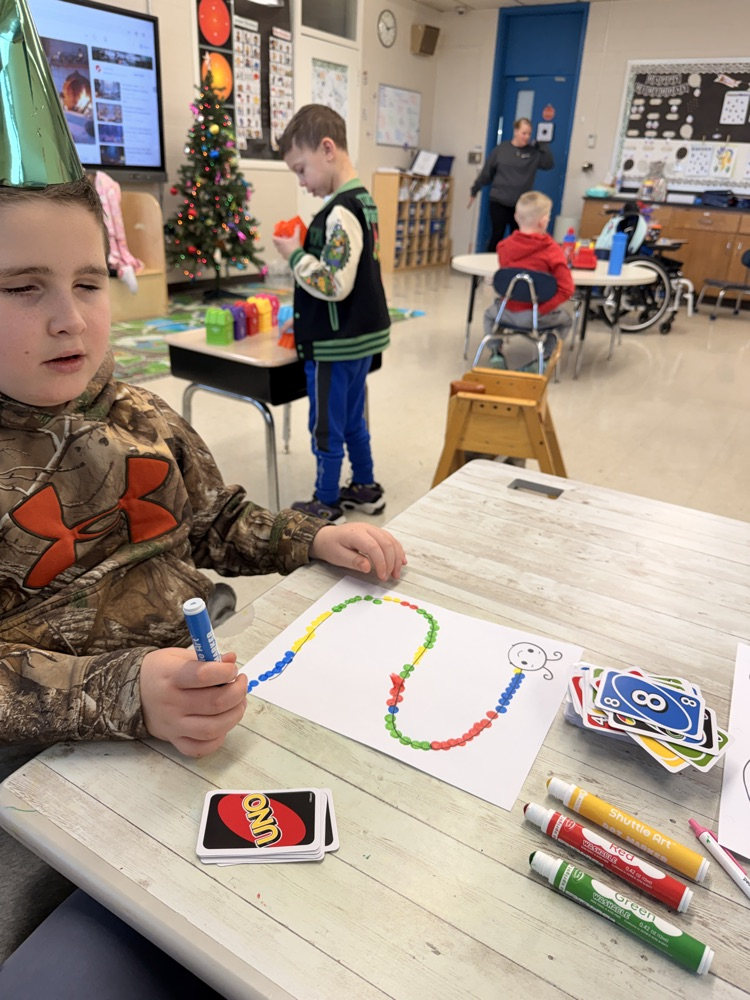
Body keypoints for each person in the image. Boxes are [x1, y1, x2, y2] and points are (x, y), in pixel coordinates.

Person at [0, 177, 406, 988]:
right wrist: (126, 694)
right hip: (52, 762)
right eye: (22, 288)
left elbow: (216, 519)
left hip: (204, 707)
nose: (68, 316)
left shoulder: (143, 415)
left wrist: (313, 534)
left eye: (87, 282)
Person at [272, 104, 391, 524]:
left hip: (334, 345)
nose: (302, 183)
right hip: (358, 337)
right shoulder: (363, 202)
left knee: (326, 425)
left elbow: (333, 282)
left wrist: (294, 254)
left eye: (301, 170)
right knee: (353, 416)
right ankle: (365, 486)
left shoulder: (340, 211)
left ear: (327, 149)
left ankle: (325, 500)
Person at [482, 191, 574, 370]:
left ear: (516, 217)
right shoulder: (553, 251)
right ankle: (545, 358)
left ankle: (496, 354)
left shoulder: (504, 247)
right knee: (566, 320)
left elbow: (509, 282)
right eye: (547, 217)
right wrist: (541, 309)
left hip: (506, 312)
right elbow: (567, 289)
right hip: (536, 316)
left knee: (488, 315)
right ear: (543, 221)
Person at [469, 118, 554, 253]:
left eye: (528, 134)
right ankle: (488, 268)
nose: (526, 137)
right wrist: (475, 189)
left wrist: (542, 145)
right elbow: (487, 172)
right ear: (515, 131)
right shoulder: (501, 150)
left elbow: (548, 164)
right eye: (523, 133)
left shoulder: (532, 153)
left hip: (521, 205)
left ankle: (513, 267)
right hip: (499, 201)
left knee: (519, 237)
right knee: (497, 234)